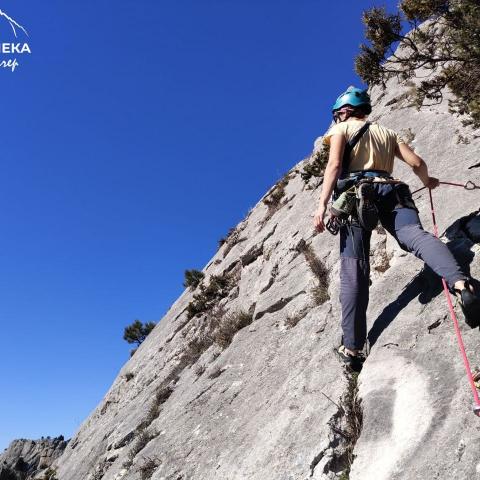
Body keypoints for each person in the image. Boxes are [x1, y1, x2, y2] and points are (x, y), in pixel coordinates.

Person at [313, 86, 480, 372]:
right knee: (414, 235)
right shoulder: (386, 133)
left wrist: (322, 204)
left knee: (355, 267)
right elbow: (416, 163)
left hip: (355, 196)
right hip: (392, 189)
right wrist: (428, 181)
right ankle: (463, 285)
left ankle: (352, 347)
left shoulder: (340, 131)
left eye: (337, 114)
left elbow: (335, 164)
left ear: (343, 111)